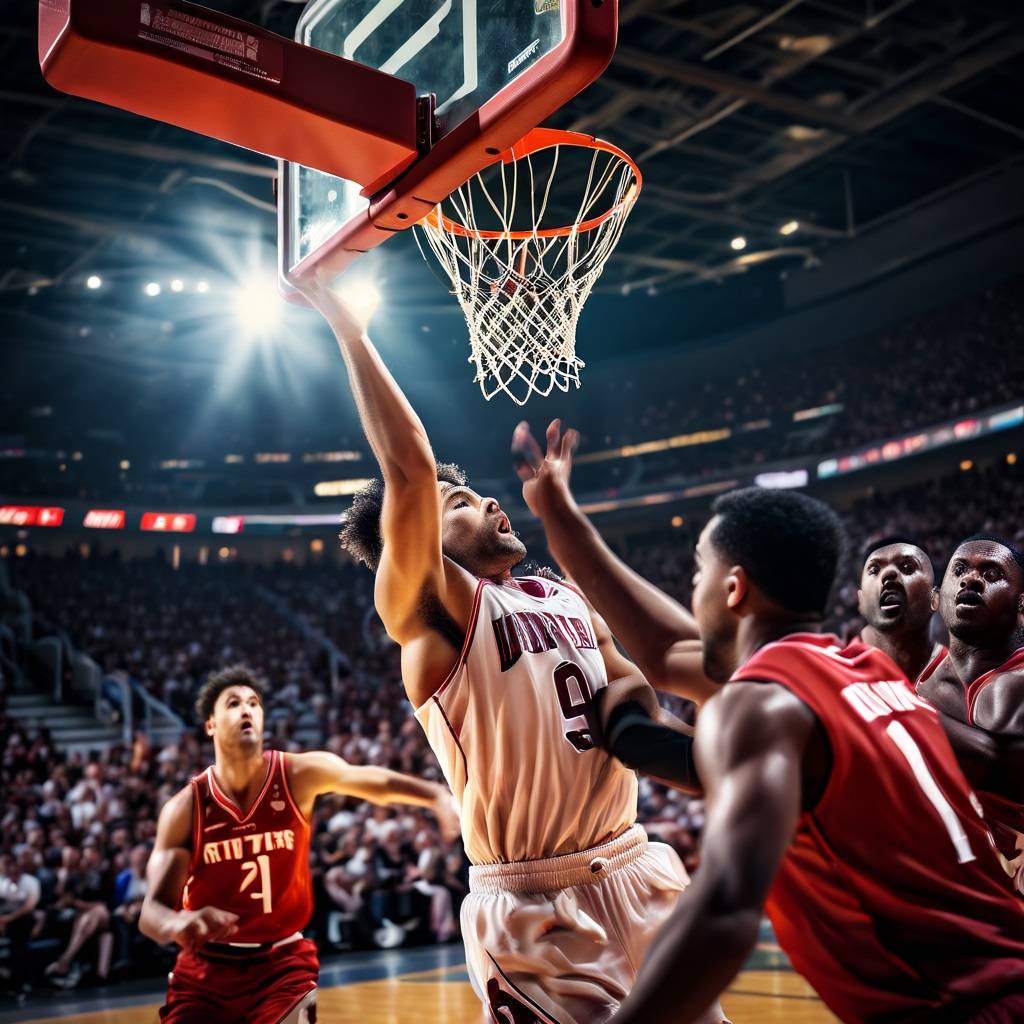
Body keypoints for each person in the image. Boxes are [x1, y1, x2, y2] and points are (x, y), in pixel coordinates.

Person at [297, 278, 724, 1024]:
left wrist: (664, 747)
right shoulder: (437, 619)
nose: (490, 501)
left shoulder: (560, 595)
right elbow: (406, 469)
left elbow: (629, 683)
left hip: (636, 863)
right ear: (423, 542)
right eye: (459, 503)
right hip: (532, 903)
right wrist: (352, 331)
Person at [515, 422, 1024, 1022]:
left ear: (733, 589)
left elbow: (726, 915)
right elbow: (662, 647)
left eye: (699, 571)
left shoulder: (766, 705)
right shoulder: (862, 670)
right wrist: (559, 516)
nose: (692, 586)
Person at [140, 665, 458, 1024]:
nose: (246, 710)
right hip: (205, 971)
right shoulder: (187, 807)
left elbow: (369, 780)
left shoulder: (294, 775)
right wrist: (177, 924)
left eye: (254, 703)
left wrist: (433, 794)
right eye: (233, 703)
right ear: (210, 725)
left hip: (281, 962)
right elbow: (152, 912)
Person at [916, 534, 1024, 893]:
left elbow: (993, 762)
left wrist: (891, 704)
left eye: (992, 573)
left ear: (1022, 603)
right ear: (935, 598)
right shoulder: (923, 687)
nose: (971, 579)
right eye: (959, 570)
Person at [857, 535, 945, 682]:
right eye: (874, 570)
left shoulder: (960, 687)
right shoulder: (833, 676)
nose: (888, 573)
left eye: (907, 567)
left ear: (935, 599)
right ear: (861, 601)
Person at [0, 851, 41, 998]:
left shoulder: (30, 881)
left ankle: (23, 983)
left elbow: (29, 907)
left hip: (23, 920)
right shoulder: (2, 882)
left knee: (20, 943)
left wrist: (8, 919)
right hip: (5, 921)